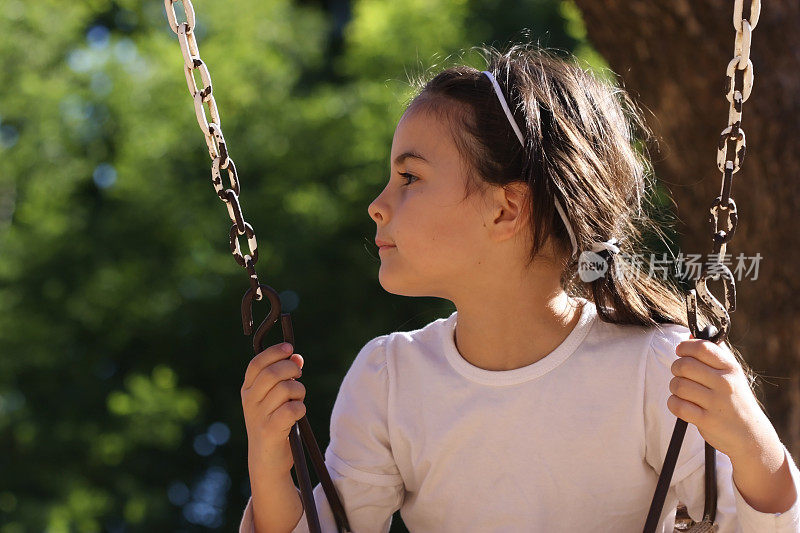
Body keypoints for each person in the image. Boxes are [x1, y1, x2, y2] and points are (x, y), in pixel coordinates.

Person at [238, 45, 800, 532]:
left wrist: (756, 449)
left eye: (409, 178)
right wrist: (268, 459)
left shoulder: (655, 369)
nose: (377, 205)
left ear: (507, 208)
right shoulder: (389, 380)